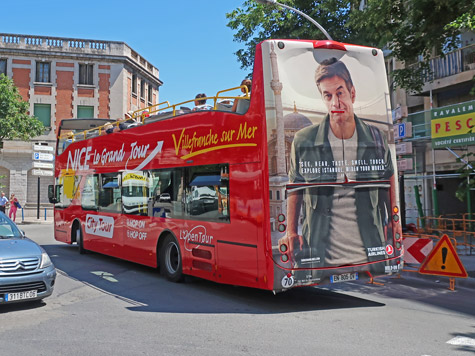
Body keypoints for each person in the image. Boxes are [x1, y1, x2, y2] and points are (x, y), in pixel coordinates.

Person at [280, 57, 396, 278]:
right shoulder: (304, 140)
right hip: (319, 256)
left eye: (340, 93)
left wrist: (393, 219)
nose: (335, 102)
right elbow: (295, 185)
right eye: (328, 95)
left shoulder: (375, 138)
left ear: (352, 93)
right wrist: (291, 231)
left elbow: (388, 178)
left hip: (370, 255)